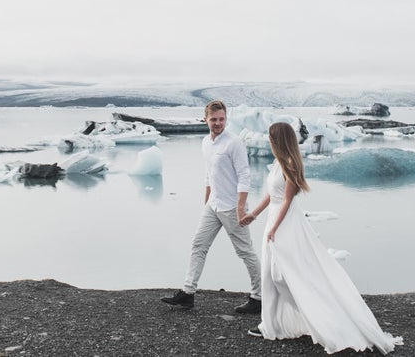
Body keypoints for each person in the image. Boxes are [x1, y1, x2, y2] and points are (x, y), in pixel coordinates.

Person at [242, 122, 402, 354]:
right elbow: (271, 194)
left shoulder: (290, 163)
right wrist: (254, 214)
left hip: (286, 223)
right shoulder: (277, 163)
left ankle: (317, 316)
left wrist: (275, 227)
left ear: (278, 139)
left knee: (283, 274)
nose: (267, 139)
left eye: (270, 136)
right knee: (270, 274)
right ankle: (273, 324)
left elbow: (287, 200)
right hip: (273, 221)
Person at [161, 100, 261, 313]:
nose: (218, 123)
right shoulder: (206, 142)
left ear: (226, 119)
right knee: (198, 245)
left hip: (232, 207)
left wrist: (240, 207)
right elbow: (209, 174)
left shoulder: (234, 143)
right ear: (205, 119)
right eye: (214, 119)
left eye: (221, 119)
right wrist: (206, 202)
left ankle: (258, 297)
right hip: (213, 205)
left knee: (245, 252)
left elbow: (244, 176)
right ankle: (188, 293)